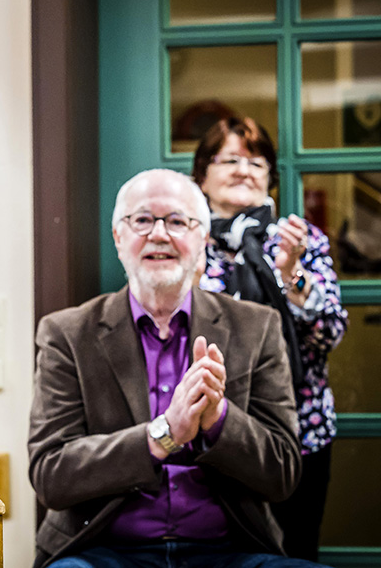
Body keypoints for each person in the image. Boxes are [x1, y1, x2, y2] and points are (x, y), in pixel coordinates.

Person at [28, 168, 318, 568]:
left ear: (202, 240)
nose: (160, 234)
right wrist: (162, 435)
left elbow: (283, 473)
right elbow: (51, 475)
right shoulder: (66, 333)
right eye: (143, 220)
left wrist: (218, 419)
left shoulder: (257, 327)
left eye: (178, 221)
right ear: (118, 237)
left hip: (231, 552)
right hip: (101, 551)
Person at [192, 117, 347, 562]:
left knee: (294, 554)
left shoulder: (301, 241)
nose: (245, 169)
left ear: (270, 177)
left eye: (257, 161)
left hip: (300, 433)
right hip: (212, 432)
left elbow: (330, 334)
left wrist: (290, 274)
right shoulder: (185, 242)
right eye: (230, 159)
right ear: (202, 174)